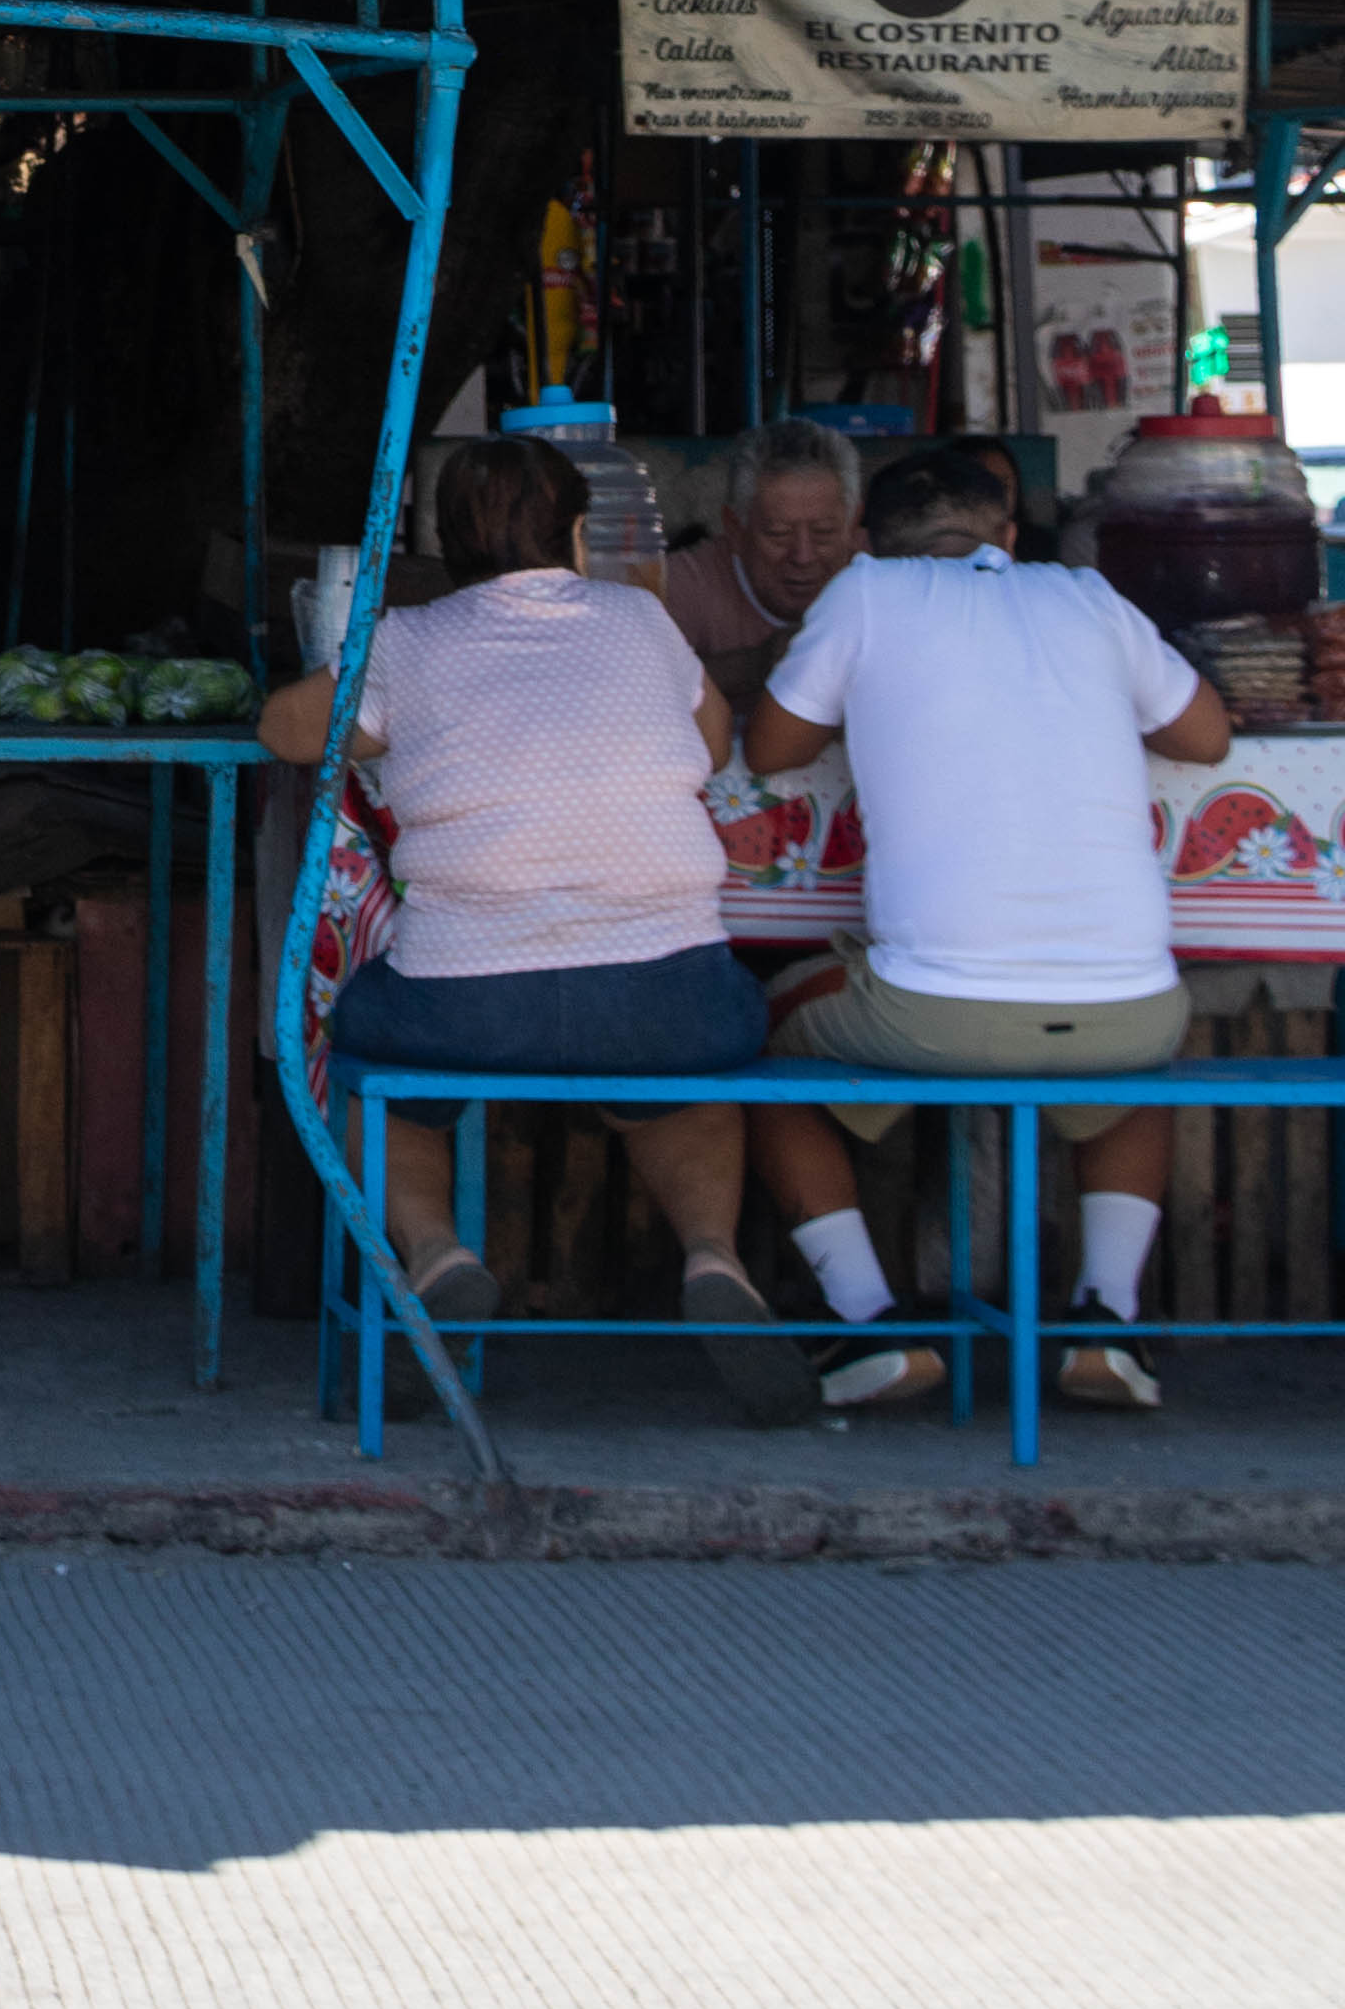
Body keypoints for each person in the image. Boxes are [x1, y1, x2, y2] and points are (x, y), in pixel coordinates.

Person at [261, 430, 807, 1416]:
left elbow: (286, 731)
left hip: (465, 1000)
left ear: (445, 542)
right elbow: (714, 739)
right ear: (573, 532)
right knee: (688, 1081)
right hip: (665, 993)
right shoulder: (639, 621)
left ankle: (435, 1254)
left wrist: (368, 671)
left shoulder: (409, 639)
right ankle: (713, 1259)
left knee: (356, 1061)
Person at [744, 433, 1229, 1418]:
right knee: (1131, 1053)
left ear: (862, 546)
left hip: (932, 1009)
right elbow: (1206, 736)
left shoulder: (867, 597)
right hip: (1130, 1009)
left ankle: (863, 1324)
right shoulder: (1084, 597)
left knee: (756, 1044)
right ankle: (1106, 1317)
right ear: (1007, 535)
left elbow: (768, 749)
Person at [654, 419, 864, 715]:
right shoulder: (679, 585)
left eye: (824, 532)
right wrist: (756, 665)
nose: (802, 556)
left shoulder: (885, 578)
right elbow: (637, 693)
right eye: (779, 533)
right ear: (735, 530)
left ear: (853, 526)